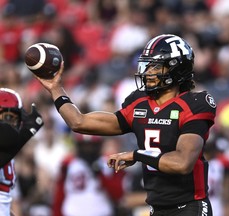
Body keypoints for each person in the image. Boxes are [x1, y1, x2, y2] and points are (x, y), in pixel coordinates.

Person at [34, 34, 216, 216]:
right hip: (157, 208)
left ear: (176, 68)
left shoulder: (195, 104)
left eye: (155, 66)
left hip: (190, 206)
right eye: (147, 65)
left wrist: (137, 155)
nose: (147, 72)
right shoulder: (139, 102)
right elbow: (78, 122)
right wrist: (56, 89)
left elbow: (182, 163)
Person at [0, 88, 43, 216]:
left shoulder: (8, 152)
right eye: (6, 118)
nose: (8, 125)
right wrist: (27, 132)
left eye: (11, 119)